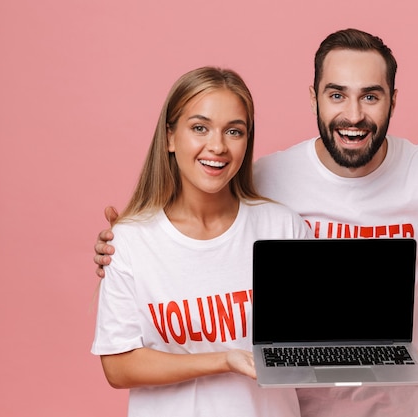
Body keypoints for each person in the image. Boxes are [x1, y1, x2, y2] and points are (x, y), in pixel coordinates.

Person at [93, 30, 418, 417]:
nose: (353, 114)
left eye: (371, 96)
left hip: (392, 406)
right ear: (315, 96)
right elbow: (199, 203)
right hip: (298, 404)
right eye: (337, 94)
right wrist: (129, 242)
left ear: (393, 101)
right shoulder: (268, 180)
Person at [90, 66, 311, 417]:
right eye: (199, 128)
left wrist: (381, 349)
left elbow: (314, 340)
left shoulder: (282, 228)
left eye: (234, 131)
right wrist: (224, 360)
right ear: (170, 138)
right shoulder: (129, 241)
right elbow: (118, 367)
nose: (218, 146)